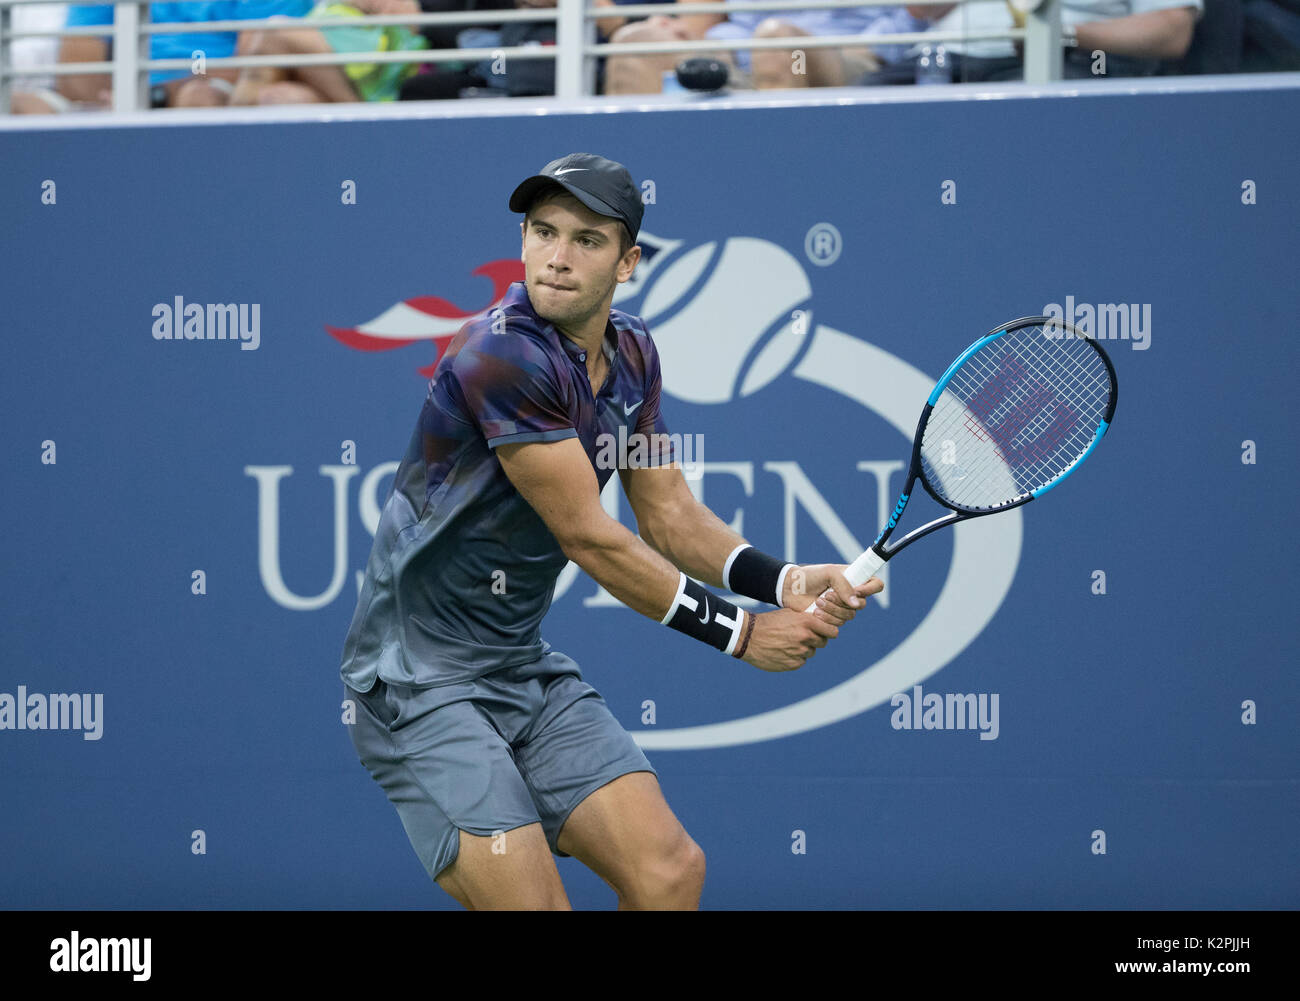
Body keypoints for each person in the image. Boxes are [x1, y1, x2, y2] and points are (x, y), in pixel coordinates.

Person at [340, 152, 883, 910]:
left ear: (627, 262)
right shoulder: (502, 353)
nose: (557, 257)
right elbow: (590, 538)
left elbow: (667, 512)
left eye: (587, 240)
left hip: (516, 666)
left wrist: (785, 580)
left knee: (668, 872)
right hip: (418, 681)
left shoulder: (632, 355)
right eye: (543, 232)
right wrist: (744, 635)